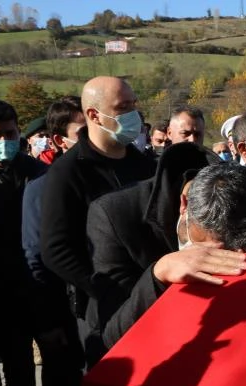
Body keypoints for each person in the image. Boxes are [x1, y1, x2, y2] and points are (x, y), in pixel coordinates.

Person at [86, 147, 246, 359]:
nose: (221, 261)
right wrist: (158, 275)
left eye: (236, 251)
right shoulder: (113, 215)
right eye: (210, 250)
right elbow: (111, 335)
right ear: (184, 206)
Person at [41, 76, 156, 363]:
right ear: (94, 115)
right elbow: (56, 249)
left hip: (153, 296)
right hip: (105, 309)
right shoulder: (67, 173)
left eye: (134, 105)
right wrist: (103, 289)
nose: (134, 115)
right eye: (123, 107)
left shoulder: (146, 166)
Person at [22, 96, 87, 386]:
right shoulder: (42, 187)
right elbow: (36, 256)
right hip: (62, 305)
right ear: (60, 140)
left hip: (101, 302)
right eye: (82, 132)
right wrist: (47, 320)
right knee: (62, 377)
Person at [0, 98, 48, 386]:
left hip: (22, 291)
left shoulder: (33, 173)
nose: (4, 142)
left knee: (22, 376)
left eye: (10, 134)